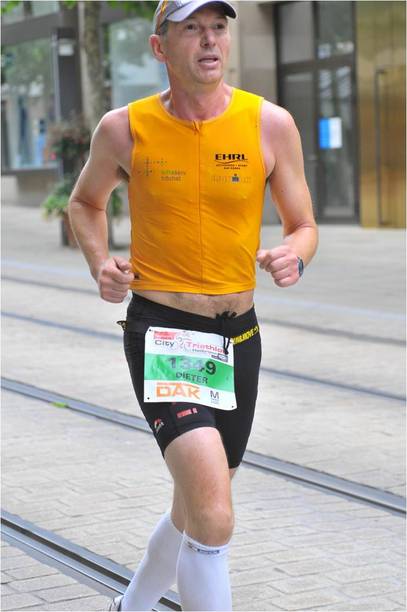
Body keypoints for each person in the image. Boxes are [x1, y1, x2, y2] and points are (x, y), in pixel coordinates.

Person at [68, 1, 318, 610]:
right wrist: (100, 263)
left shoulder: (270, 124)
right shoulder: (124, 128)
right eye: (191, 30)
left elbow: (304, 225)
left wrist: (295, 255)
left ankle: (130, 607)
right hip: (165, 333)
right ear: (160, 47)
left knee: (195, 507)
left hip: (238, 337)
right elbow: (85, 202)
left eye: (218, 28)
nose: (209, 41)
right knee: (214, 515)